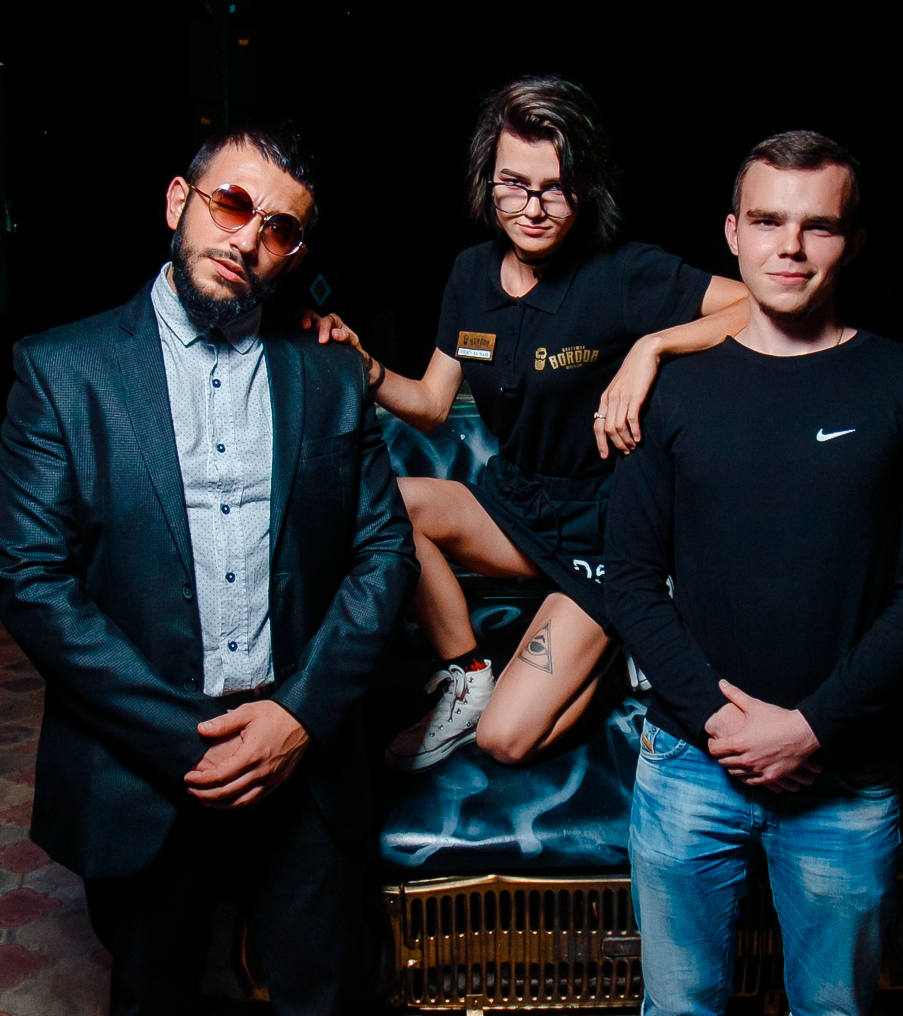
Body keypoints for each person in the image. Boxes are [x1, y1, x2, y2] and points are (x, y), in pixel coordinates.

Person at [0, 128, 457, 1016]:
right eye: (231, 204)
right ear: (178, 201)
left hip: (300, 754)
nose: (248, 239)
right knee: (148, 1014)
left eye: (280, 225)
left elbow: (379, 556)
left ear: (296, 250)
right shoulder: (64, 370)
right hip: (152, 764)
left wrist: (296, 717)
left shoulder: (324, 379)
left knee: (327, 1014)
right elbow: (31, 581)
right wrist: (181, 736)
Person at [592, 129, 903, 1016]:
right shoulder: (673, 387)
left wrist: (810, 725)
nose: (788, 246)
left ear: (848, 239)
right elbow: (628, 579)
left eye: (816, 223)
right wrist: (720, 719)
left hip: (843, 776)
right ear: (731, 232)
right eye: (766, 220)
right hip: (687, 766)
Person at [312, 74, 750, 772]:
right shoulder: (469, 274)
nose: (534, 209)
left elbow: (754, 304)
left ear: (586, 189)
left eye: (556, 188)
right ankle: (467, 675)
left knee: (505, 741)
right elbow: (431, 403)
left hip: (608, 532)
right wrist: (366, 368)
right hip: (516, 505)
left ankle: (621, 634)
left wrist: (652, 347)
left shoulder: (621, 273)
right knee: (382, 504)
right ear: (488, 181)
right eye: (514, 185)